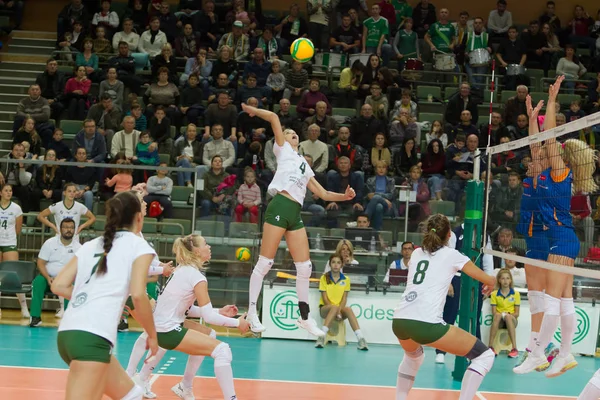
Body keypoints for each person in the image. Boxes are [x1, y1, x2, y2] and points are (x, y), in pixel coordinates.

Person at [242, 103, 356, 335]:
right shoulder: (281, 150)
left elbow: (322, 193)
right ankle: (252, 312)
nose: (293, 135)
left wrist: (344, 197)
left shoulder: (304, 163)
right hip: (280, 205)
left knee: (305, 267)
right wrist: (253, 111)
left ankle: (304, 317)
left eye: (294, 134)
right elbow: (274, 117)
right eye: (289, 134)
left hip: (295, 212)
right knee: (265, 263)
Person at [514, 76, 598, 377]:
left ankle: (538, 352)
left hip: (562, 239)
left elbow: (549, 139)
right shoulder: (544, 173)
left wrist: (551, 102)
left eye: (547, 154)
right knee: (563, 301)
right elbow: (538, 143)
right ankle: (563, 353)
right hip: (555, 239)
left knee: (552, 302)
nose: (538, 156)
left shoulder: (560, 173)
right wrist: (532, 116)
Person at [50, 191, 158, 400]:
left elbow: (58, 285)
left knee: (133, 396)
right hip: (92, 337)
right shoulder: (139, 246)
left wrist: (90, 297)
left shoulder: (91, 244)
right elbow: (138, 294)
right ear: (139, 217)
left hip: (68, 334)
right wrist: (152, 335)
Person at [392, 214, 496, 400]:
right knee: (484, 356)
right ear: (449, 234)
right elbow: (486, 278)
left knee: (413, 357)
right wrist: (492, 282)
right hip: (427, 324)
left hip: (400, 321)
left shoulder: (416, 253)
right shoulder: (453, 255)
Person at [137, 234, 250, 399]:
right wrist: (237, 323)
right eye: (205, 244)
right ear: (196, 251)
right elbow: (208, 317)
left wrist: (220, 311)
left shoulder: (182, 270)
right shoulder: (196, 277)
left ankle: (185, 386)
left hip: (161, 326)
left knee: (209, 334)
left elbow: (188, 310)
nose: (209, 247)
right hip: (167, 330)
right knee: (223, 351)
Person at [29, 218, 81, 327]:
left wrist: (67, 278)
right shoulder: (50, 243)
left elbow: (80, 268)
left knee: (72, 286)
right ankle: (35, 317)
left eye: (71, 228)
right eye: (66, 227)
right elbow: (41, 263)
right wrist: (48, 277)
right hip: (48, 278)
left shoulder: (79, 248)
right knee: (38, 282)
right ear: (60, 229)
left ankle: (68, 319)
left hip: (67, 281)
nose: (69, 230)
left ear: (75, 230)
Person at [317, 253, 368, 349]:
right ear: (330, 264)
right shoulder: (323, 278)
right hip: (325, 309)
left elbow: (344, 299)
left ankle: (361, 339)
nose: (336, 265)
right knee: (334, 307)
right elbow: (324, 298)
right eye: (333, 262)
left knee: (348, 309)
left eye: (338, 263)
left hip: (339, 310)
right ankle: (321, 337)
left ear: (341, 265)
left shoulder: (346, 280)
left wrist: (339, 311)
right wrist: (335, 311)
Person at [0, 184, 27, 319]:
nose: (9, 193)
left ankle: (24, 307)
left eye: (10, 190)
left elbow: (18, 229)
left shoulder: (16, 208)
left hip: (10, 243)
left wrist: (9, 238)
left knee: (14, 275)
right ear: (0, 193)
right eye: (6, 190)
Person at [488, 268, 520, 358]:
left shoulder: (516, 294)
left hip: (512, 320)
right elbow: (494, 312)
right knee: (498, 315)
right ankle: (490, 347)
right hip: (500, 319)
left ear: (510, 280)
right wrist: (502, 314)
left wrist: (507, 314)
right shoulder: (494, 294)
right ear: (499, 280)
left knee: (508, 317)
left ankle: (514, 348)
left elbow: (517, 313)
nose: (505, 281)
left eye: (507, 278)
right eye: (503, 278)